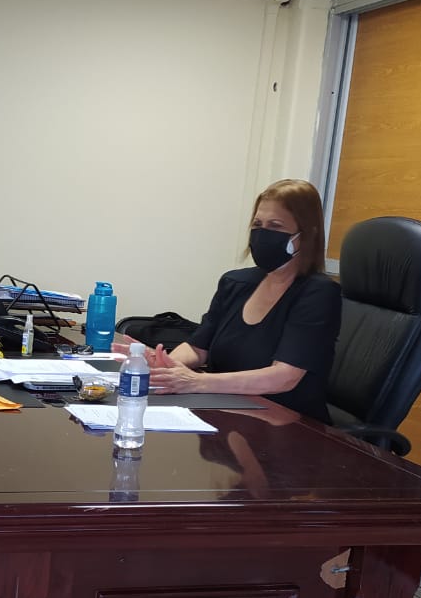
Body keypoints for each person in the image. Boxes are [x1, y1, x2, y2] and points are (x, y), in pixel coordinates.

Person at [132, 179, 341, 424]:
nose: (262, 233)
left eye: (275, 226)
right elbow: (198, 348)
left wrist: (197, 382)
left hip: (288, 425)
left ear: (306, 235)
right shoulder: (235, 283)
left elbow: (285, 376)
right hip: (224, 412)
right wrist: (167, 366)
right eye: (258, 224)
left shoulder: (318, 294)